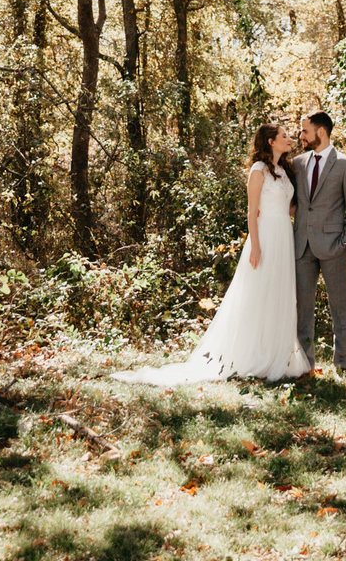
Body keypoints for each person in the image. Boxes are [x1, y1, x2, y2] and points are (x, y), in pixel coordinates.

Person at [112, 122, 311, 385]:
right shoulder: (258, 170)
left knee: (279, 291)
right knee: (259, 292)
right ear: (271, 141)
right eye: (284, 136)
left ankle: (278, 352)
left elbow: (290, 208)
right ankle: (254, 354)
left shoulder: (285, 170)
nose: (290, 139)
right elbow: (252, 211)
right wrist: (256, 245)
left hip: (284, 235)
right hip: (264, 236)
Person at [290, 109, 346, 376]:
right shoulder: (297, 163)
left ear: (321, 131)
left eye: (305, 130)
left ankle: (342, 364)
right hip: (302, 246)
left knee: (340, 307)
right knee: (303, 309)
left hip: (333, 246)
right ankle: (305, 365)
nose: (301, 135)